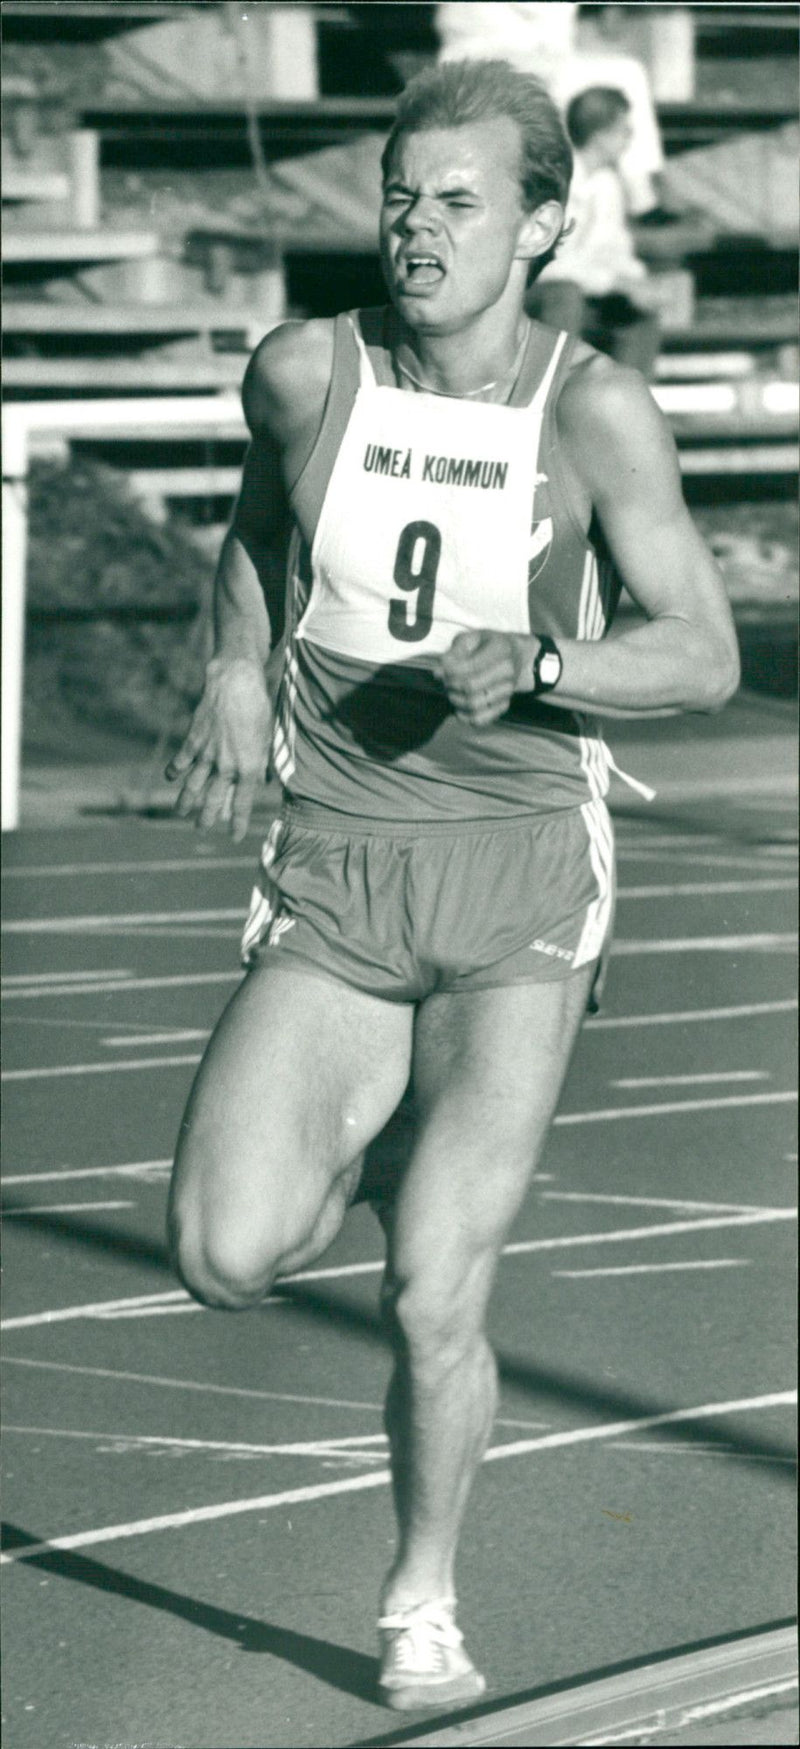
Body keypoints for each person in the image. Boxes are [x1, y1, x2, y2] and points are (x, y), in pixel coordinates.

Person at [166, 59, 739, 1713]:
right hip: (340, 872)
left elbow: (699, 652)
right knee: (223, 1247)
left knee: (434, 1284)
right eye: (402, 198)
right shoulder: (303, 374)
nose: (418, 229)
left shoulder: (591, 408)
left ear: (543, 225)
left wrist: (547, 662)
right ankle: (393, 1128)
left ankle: (418, 1593)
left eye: (460, 202)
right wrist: (227, 662)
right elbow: (263, 536)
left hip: (522, 890)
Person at [531, 85, 662, 378]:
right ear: (600, 135)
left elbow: (614, 249)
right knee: (564, 295)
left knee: (639, 312)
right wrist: (612, 281)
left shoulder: (608, 184)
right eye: (623, 130)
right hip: (538, 296)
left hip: (586, 292)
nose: (629, 139)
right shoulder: (553, 182)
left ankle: (626, 408)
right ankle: (550, 397)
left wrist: (635, 281)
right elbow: (548, 264)